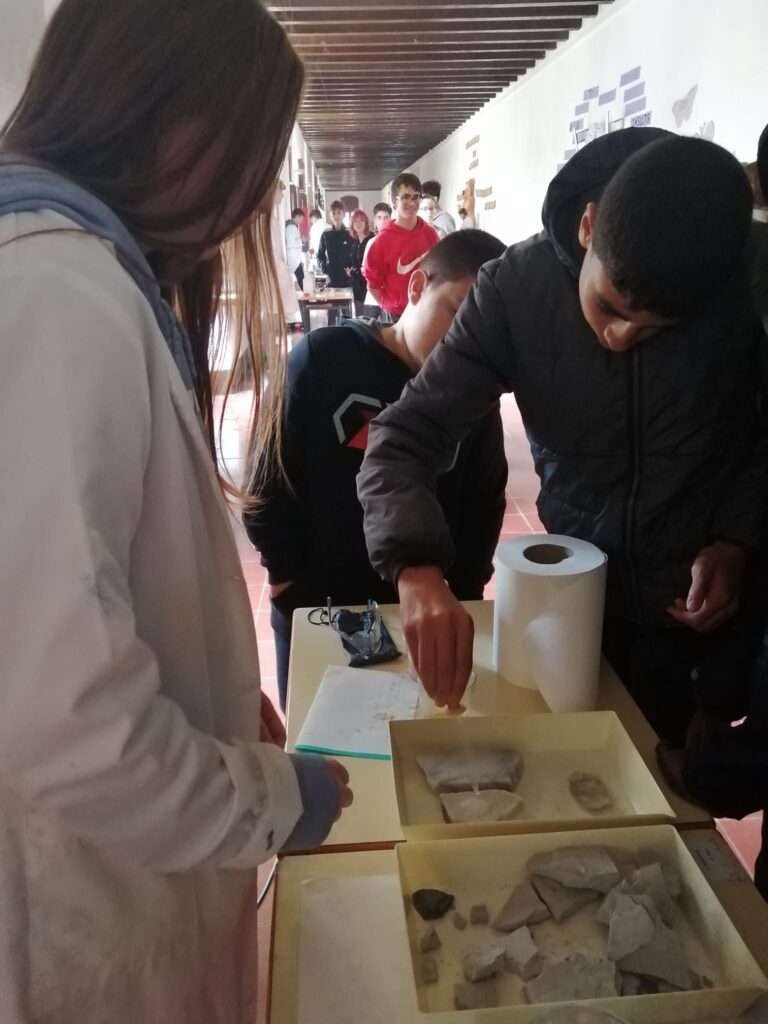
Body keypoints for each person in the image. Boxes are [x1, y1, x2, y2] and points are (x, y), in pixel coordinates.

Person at [0, 2, 352, 1021]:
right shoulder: (57, 295)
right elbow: (64, 721)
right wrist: (274, 800)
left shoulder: (67, 273)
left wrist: (214, 700)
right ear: (165, 113)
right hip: (81, 922)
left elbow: (69, 605)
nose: (252, 195)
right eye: (249, 153)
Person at [358, 129, 767, 744]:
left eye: (655, 330)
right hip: (572, 604)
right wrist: (416, 569)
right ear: (588, 226)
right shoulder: (512, 291)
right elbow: (403, 436)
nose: (619, 338)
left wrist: (736, 538)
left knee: (672, 782)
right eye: (608, 307)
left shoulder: (745, 274)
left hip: (700, 619)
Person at [244, 231, 508, 710]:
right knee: (317, 740)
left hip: (420, 620)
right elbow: (266, 478)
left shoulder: (474, 400)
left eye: (483, 333)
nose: (464, 344)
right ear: (417, 287)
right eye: (457, 316)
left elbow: (483, 503)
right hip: (318, 609)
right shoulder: (322, 358)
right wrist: (285, 578)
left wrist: (465, 594)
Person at [363, 172, 439, 321]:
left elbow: (439, 271)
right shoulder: (382, 241)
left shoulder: (430, 234)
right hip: (395, 316)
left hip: (425, 312)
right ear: (394, 201)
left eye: (416, 197)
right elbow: (373, 285)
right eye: (405, 197)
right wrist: (390, 305)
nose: (411, 202)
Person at [316, 199, 353, 288]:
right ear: (330, 215)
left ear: (343, 214)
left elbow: (355, 255)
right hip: (330, 280)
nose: (336, 216)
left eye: (339, 213)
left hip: (347, 280)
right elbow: (320, 256)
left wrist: (352, 270)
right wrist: (325, 268)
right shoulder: (326, 234)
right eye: (333, 213)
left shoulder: (350, 234)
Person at [348, 207, 374, 313]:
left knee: (369, 320)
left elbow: (370, 268)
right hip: (357, 289)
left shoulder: (372, 240)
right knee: (359, 319)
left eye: (361, 221)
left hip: (370, 290)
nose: (358, 224)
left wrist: (352, 274)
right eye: (356, 221)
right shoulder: (355, 243)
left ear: (366, 223)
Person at [286, 205, 305, 289]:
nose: (302, 220)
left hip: (295, 257)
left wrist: (301, 240)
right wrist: (301, 240)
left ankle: (306, 293)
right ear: (297, 216)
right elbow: (290, 244)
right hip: (294, 258)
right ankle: (306, 294)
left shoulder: (293, 226)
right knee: (301, 279)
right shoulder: (291, 227)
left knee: (301, 278)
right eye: (302, 218)